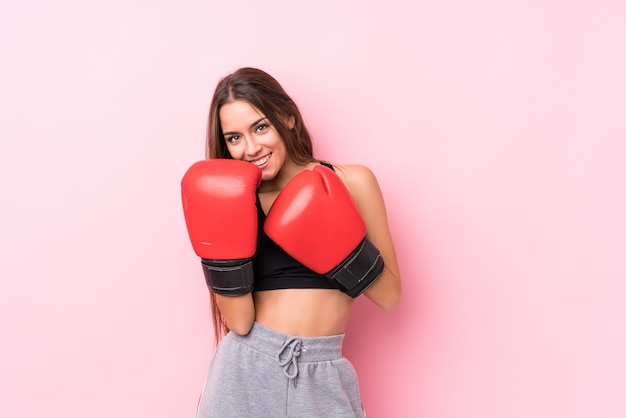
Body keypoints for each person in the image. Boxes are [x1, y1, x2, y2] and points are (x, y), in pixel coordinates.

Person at [181, 67, 402, 418]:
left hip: (323, 370)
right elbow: (239, 324)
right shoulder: (234, 200)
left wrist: (338, 247)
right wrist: (221, 234)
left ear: (288, 117)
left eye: (260, 127)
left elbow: (390, 296)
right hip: (246, 368)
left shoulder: (352, 181)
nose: (251, 148)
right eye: (234, 138)